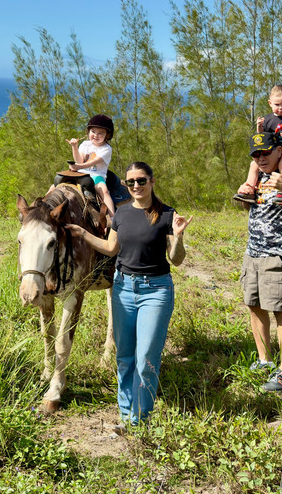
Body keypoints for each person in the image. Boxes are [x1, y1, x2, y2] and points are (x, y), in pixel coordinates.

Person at [66, 162, 191, 426]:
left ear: (152, 181)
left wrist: (178, 237)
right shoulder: (121, 215)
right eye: (130, 182)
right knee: (124, 356)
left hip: (156, 291)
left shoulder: (167, 214)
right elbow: (111, 248)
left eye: (141, 180)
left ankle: (140, 419)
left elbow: (176, 260)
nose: (136, 186)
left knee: (146, 357)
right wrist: (83, 233)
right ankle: (126, 414)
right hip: (123, 288)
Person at [238, 131, 282, 393]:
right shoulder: (259, 177)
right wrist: (245, 193)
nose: (260, 158)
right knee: (254, 306)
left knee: (281, 312)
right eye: (256, 154)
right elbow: (252, 209)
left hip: (279, 255)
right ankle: (265, 360)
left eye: (265, 152)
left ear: (279, 151)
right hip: (253, 253)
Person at [235, 84, 282, 203]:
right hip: (272, 150)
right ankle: (250, 188)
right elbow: (262, 138)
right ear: (270, 103)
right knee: (253, 164)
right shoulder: (268, 119)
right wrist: (259, 127)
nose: (281, 108)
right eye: (277, 105)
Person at [66, 114, 118, 225]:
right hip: (80, 173)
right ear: (88, 132)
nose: (96, 135)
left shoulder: (106, 149)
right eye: (93, 131)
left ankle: (113, 219)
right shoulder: (85, 144)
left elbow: (92, 162)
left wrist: (77, 166)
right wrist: (74, 147)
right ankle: (40, 205)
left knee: (104, 190)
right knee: (57, 184)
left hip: (96, 175)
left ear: (107, 135)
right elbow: (79, 161)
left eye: (101, 133)